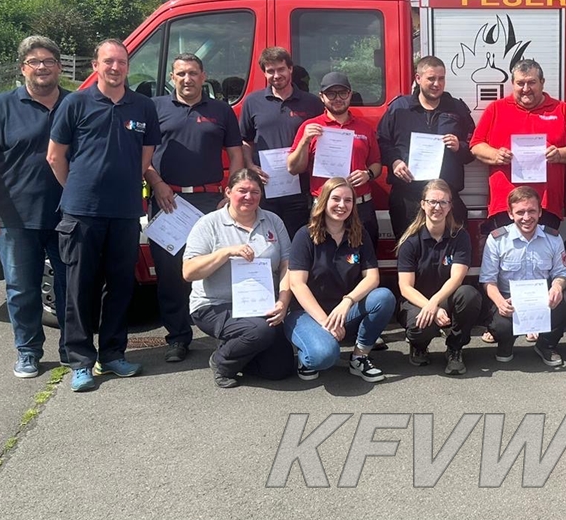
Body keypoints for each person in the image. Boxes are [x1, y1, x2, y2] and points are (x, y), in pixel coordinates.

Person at [48, 39, 161, 392]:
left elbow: (145, 156)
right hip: (82, 213)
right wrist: (79, 191)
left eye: (122, 62)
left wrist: (125, 184)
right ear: (95, 65)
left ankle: (112, 354)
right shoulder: (75, 103)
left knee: (121, 286)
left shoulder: (142, 107)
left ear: (129, 66)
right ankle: (80, 361)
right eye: (108, 61)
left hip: (126, 212)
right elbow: (55, 156)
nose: (115, 68)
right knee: (80, 287)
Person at [0, 35, 71, 378]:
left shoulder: (75, 105)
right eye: (34, 62)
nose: (41, 67)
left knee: (70, 285)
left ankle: (71, 349)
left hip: (67, 216)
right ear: (23, 68)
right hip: (15, 217)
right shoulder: (1, 107)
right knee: (22, 289)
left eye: (48, 61)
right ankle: (28, 352)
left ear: (59, 67)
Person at [143, 53, 243, 364]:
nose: (187, 79)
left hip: (210, 200)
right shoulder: (155, 108)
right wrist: (156, 183)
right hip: (167, 200)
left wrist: (232, 192)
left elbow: (237, 155)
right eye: (181, 74)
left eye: (193, 73)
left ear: (203, 76)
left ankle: (230, 332)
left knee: (218, 268)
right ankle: (178, 338)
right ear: (172, 78)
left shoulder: (221, 111)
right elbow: (142, 156)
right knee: (172, 274)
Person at [182, 169, 295, 388]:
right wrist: (225, 252)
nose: (249, 196)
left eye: (254, 191)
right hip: (215, 305)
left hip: (260, 305)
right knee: (259, 332)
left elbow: (287, 265)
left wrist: (283, 300)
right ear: (227, 192)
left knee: (280, 369)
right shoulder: (209, 224)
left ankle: (240, 347)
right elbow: (188, 272)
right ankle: (221, 361)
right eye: (242, 190)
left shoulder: (272, 220)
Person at [283, 177, 396, 382]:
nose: (342, 205)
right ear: (324, 201)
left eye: (348, 200)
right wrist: (326, 322)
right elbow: (296, 284)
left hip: (343, 312)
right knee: (323, 357)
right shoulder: (305, 235)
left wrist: (348, 301)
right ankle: (306, 352)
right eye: (335, 199)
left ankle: (359, 357)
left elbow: (372, 278)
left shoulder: (359, 235)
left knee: (384, 297)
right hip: (306, 314)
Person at [471, 59, 566, 230]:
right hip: (506, 205)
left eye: (532, 82)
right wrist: (495, 155)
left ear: (542, 82)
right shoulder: (496, 109)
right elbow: (476, 145)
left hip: (546, 206)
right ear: (512, 84)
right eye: (520, 83)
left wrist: (560, 154)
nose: (526, 89)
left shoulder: (561, 109)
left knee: (543, 256)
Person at [377, 56, 476, 238]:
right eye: (431, 78)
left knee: (452, 254)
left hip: (446, 198)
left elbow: (474, 147)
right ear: (418, 78)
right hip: (407, 196)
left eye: (441, 78)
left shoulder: (457, 109)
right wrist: (395, 162)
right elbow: (381, 141)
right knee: (408, 254)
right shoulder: (399, 108)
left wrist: (459, 146)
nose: (437, 83)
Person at [480, 186, 566, 367]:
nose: (527, 218)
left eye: (532, 211)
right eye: (520, 212)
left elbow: (561, 273)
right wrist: (500, 302)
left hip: (542, 302)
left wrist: (557, 286)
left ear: (540, 211)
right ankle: (505, 343)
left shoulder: (553, 238)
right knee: (501, 326)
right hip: (508, 301)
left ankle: (546, 345)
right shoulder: (497, 239)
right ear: (510, 213)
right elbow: (488, 280)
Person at [395, 179, 483, 375]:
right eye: (433, 201)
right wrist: (431, 309)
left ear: (450, 206)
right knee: (420, 327)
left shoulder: (459, 237)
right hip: (415, 301)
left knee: (469, 295)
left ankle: (455, 348)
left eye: (443, 202)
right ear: (423, 204)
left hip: (444, 299)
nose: (437, 207)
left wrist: (434, 304)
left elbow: (456, 279)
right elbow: (405, 287)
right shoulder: (410, 241)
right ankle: (419, 345)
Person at [238, 47, 324, 234]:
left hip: (300, 188)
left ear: (290, 69)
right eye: (270, 71)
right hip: (265, 187)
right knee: (266, 240)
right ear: (264, 73)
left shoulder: (311, 103)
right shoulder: (252, 102)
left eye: (281, 69)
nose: (276, 75)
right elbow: (245, 140)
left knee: (296, 241)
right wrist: (250, 165)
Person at [289, 72, 383, 240]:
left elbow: (376, 164)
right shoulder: (310, 126)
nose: (337, 98)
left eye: (342, 93)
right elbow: (293, 168)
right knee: (322, 261)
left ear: (350, 94)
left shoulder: (365, 128)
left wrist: (367, 174)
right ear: (322, 97)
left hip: (360, 206)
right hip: (324, 206)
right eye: (331, 94)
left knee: (364, 260)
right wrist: (304, 141)